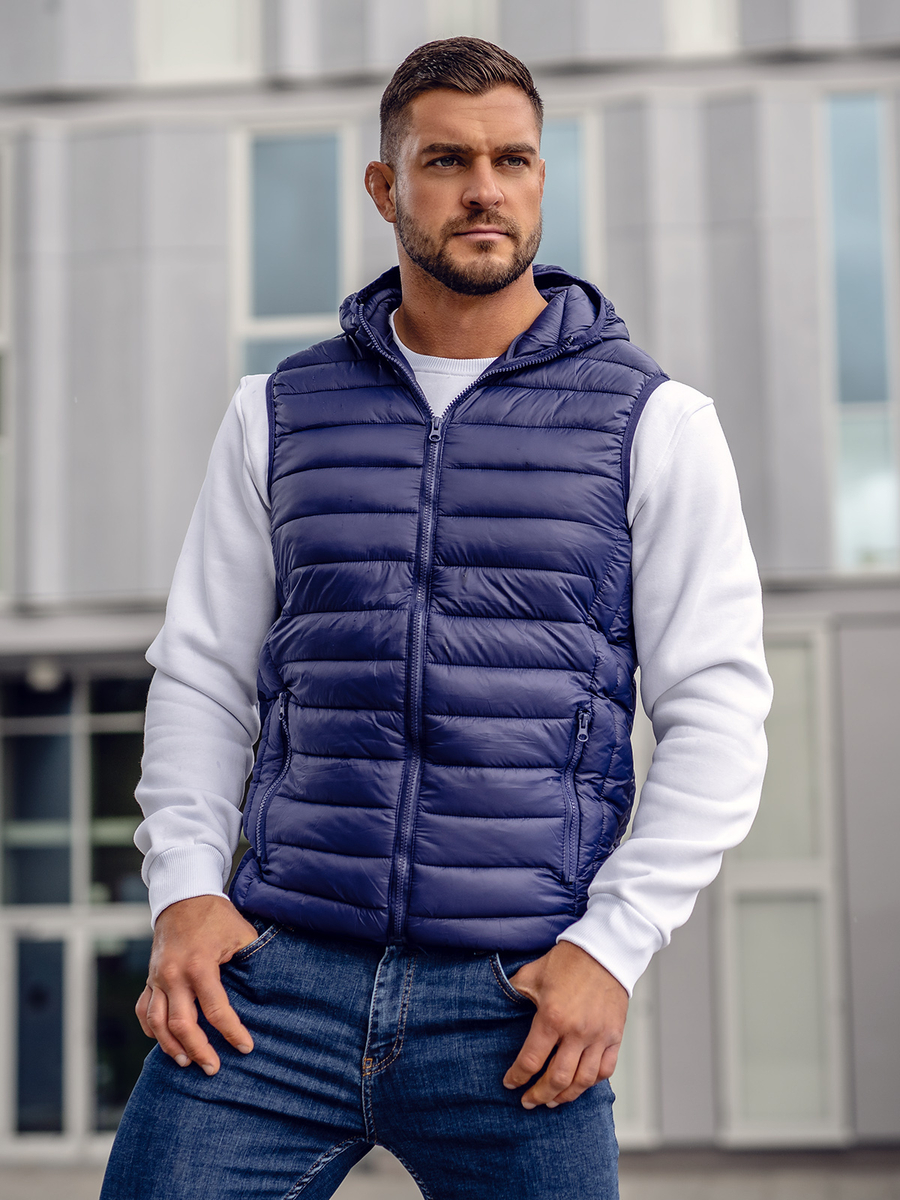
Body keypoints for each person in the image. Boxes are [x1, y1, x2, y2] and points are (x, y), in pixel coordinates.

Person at [101, 37, 771, 1200]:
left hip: (514, 1006)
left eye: (513, 160)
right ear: (385, 186)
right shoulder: (277, 413)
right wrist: (187, 893)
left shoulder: (656, 425)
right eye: (446, 160)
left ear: (542, 178)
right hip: (274, 987)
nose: (484, 190)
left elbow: (718, 716)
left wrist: (611, 948)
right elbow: (204, 678)